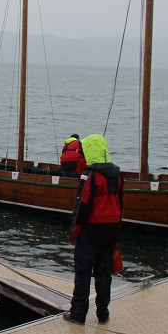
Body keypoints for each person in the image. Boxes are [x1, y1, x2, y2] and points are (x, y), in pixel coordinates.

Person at [64, 134, 123, 324]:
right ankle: (103, 313)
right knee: (103, 274)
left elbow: (82, 206)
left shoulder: (89, 176)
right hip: (110, 230)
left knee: (83, 273)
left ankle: (78, 313)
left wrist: (74, 233)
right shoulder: (118, 174)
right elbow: (120, 203)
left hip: (90, 231)